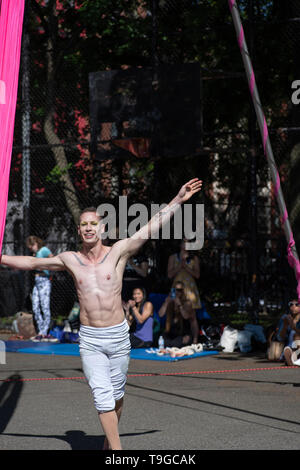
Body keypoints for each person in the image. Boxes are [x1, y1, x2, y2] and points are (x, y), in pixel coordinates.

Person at [0, 177, 202, 450]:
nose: (88, 228)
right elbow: (32, 261)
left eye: (93, 223)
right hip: (91, 339)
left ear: (102, 228)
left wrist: (178, 199)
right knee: (102, 396)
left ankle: (109, 443)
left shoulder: (119, 251)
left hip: (118, 336)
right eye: (83, 224)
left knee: (116, 397)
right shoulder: (70, 259)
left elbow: (151, 227)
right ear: (79, 230)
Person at [26, 235, 56, 342]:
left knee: (44, 306)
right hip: (37, 281)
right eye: (30, 247)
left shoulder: (44, 250)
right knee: (35, 306)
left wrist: (50, 271)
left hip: (44, 280)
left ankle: (44, 332)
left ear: (37, 243)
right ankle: (40, 331)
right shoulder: (36, 253)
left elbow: (52, 258)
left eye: (33, 245)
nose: (32, 248)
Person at [158, 281, 199, 348]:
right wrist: (166, 303)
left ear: (183, 291)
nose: (177, 292)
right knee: (163, 342)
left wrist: (179, 305)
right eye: (175, 290)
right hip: (172, 333)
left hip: (184, 334)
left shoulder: (187, 303)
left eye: (179, 290)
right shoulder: (169, 302)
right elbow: (160, 314)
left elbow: (187, 317)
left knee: (176, 344)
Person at [167, 239, 201, 314]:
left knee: (191, 314)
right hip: (177, 287)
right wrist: (180, 265)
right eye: (184, 242)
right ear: (180, 244)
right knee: (175, 311)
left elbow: (197, 275)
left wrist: (185, 266)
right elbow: (169, 275)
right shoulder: (173, 257)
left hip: (190, 288)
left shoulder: (194, 258)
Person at [275, 297, 300, 365]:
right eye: (291, 304)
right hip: (289, 345)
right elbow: (280, 338)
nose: (293, 306)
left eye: (297, 304)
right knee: (292, 334)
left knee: (294, 334)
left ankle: (290, 356)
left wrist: (293, 327)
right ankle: (290, 356)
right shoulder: (285, 317)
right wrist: (285, 326)